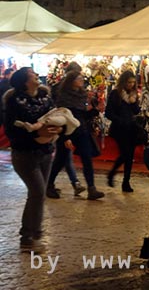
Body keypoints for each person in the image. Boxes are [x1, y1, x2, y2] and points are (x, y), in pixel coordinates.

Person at [3, 68, 57, 252]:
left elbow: (55, 117)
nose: (37, 75)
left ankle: (35, 233)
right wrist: (36, 134)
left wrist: (58, 130)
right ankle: (27, 237)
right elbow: (12, 131)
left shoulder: (46, 98)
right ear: (25, 81)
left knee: (38, 196)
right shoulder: (14, 102)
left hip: (45, 151)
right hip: (25, 154)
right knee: (37, 192)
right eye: (32, 74)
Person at [50, 71, 104, 200]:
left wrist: (95, 111)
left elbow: (81, 115)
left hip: (81, 129)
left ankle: (92, 188)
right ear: (71, 80)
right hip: (66, 130)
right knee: (60, 159)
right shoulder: (63, 96)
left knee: (87, 157)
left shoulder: (82, 95)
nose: (81, 80)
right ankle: (49, 184)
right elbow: (62, 115)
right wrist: (65, 136)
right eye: (78, 78)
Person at [106, 70, 142, 192]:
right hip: (119, 129)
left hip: (131, 129)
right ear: (123, 82)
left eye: (133, 82)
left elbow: (136, 111)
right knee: (126, 154)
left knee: (129, 155)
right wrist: (120, 120)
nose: (131, 85)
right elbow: (108, 112)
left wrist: (133, 103)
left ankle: (126, 182)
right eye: (129, 82)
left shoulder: (133, 94)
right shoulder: (115, 94)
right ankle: (113, 173)